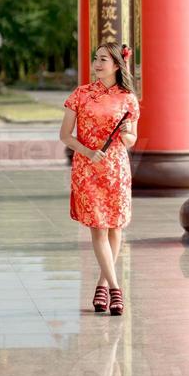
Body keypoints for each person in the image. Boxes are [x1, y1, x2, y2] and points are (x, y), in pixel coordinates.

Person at [59, 42, 140, 316]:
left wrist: (126, 132)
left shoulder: (128, 98)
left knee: (115, 228)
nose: (97, 63)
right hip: (87, 169)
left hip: (116, 169)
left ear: (117, 65)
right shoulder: (80, 94)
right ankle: (116, 289)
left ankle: (101, 286)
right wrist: (87, 151)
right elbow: (65, 135)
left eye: (103, 59)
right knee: (98, 228)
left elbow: (130, 141)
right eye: (95, 58)